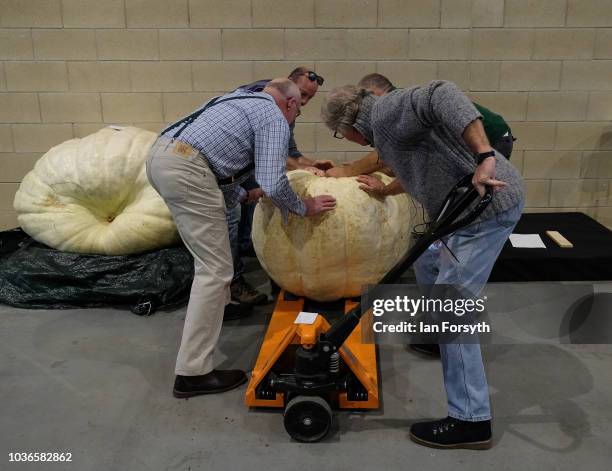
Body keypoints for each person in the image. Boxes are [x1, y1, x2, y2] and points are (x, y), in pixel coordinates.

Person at [321, 81, 525, 449]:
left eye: (339, 134)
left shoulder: (385, 112)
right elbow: (419, 167)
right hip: (463, 213)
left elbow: (442, 93)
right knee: (428, 263)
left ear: (348, 126)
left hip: (485, 211)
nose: (345, 139)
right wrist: (385, 189)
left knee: (452, 309)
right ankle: (435, 336)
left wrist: (484, 156)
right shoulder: (385, 129)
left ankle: (470, 420)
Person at [146, 78, 336, 398]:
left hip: (160, 156)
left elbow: (215, 169)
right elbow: (274, 182)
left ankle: (218, 307)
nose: (295, 118)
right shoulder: (274, 116)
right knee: (217, 271)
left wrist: (246, 193)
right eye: (298, 111)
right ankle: (192, 373)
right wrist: (304, 206)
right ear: (289, 104)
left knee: (209, 262)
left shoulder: (234, 100)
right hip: (186, 167)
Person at [228, 67, 333, 305]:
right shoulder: (263, 98)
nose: (304, 102)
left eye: (309, 98)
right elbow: (270, 150)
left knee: (254, 206)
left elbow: (289, 151)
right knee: (230, 220)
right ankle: (233, 283)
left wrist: (310, 163)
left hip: (249, 165)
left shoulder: (289, 105)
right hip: (229, 165)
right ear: (289, 84)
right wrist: (302, 202)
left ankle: (252, 253)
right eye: (303, 95)